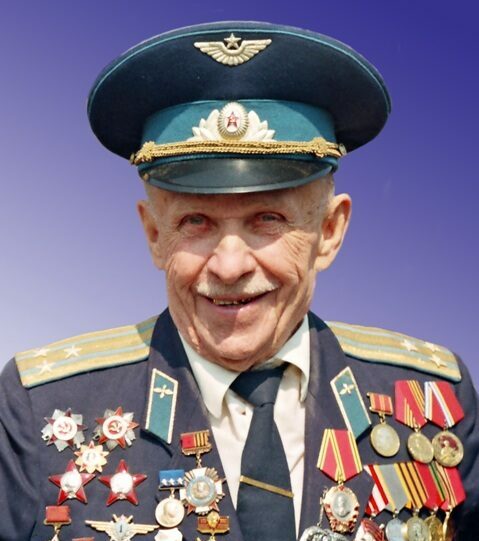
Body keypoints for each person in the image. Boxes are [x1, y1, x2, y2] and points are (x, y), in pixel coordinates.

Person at [0, 20, 477, 541]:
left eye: (267, 220)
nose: (230, 266)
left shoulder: (433, 399)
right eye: (196, 222)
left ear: (329, 232)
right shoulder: (41, 409)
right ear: (154, 235)